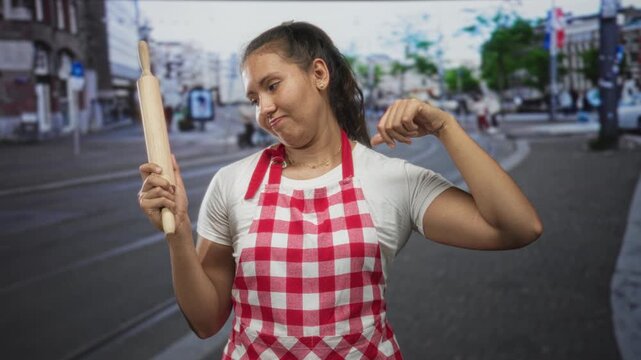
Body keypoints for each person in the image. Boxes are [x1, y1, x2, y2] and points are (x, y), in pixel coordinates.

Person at [137, 22, 542, 359]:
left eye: (273, 85)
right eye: (254, 97)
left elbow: (518, 228)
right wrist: (178, 234)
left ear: (319, 74)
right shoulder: (232, 181)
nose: (264, 108)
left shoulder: (389, 178)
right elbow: (207, 321)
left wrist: (445, 128)